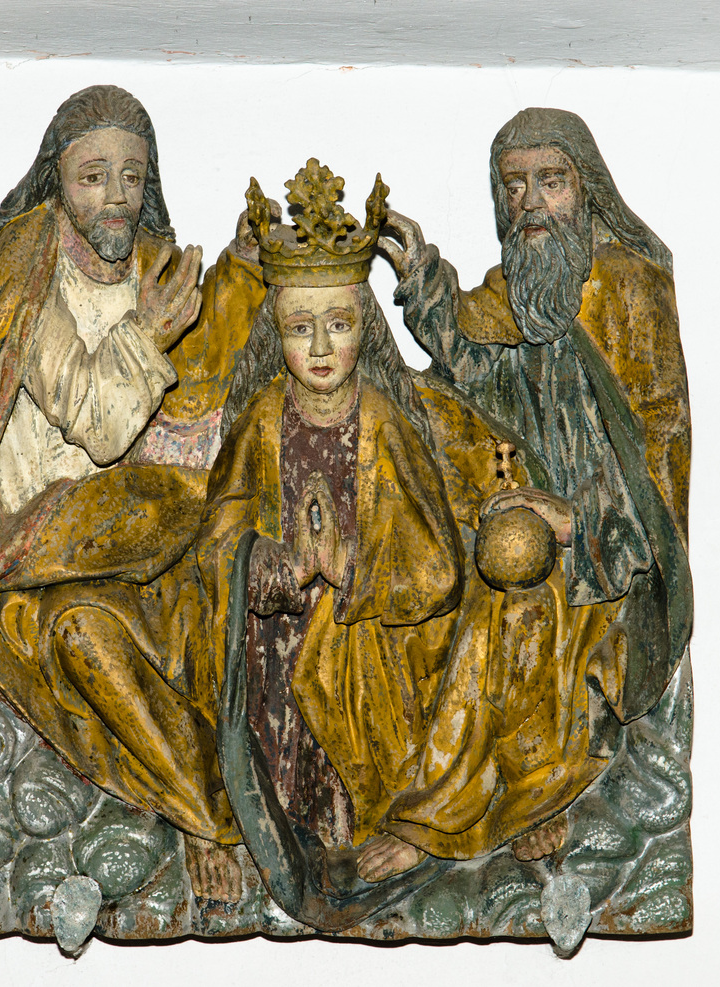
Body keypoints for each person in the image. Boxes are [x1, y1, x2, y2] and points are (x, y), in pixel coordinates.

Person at [0, 85, 268, 902]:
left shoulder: (150, 263)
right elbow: (98, 424)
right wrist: (149, 332)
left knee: (220, 559)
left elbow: (203, 371)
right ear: (56, 182)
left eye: (132, 175)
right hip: (32, 539)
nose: (115, 195)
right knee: (95, 622)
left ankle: (239, 789)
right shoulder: (25, 273)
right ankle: (206, 815)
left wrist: (240, 273)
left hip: (122, 534)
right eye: (93, 177)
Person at [379, 107, 693, 862]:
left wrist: (577, 518)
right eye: (514, 186)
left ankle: (484, 809)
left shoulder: (629, 288)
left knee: (517, 613)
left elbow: (659, 449)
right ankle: (471, 796)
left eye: (551, 181)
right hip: (528, 517)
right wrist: (421, 278)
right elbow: (477, 368)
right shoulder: (517, 286)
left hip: (616, 562)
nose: (531, 204)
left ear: (587, 191)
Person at [197, 161, 463, 916]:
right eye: (299, 327)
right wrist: (268, 565)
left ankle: (368, 820)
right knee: (216, 639)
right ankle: (255, 822)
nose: (319, 346)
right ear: (274, 331)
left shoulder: (384, 424)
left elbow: (439, 568)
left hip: (362, 641)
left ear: (364, 327)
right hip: (271, 641)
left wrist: (350, 568)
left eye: (339, 324)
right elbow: (217, 536)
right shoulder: (260, 421)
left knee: (370, 648)